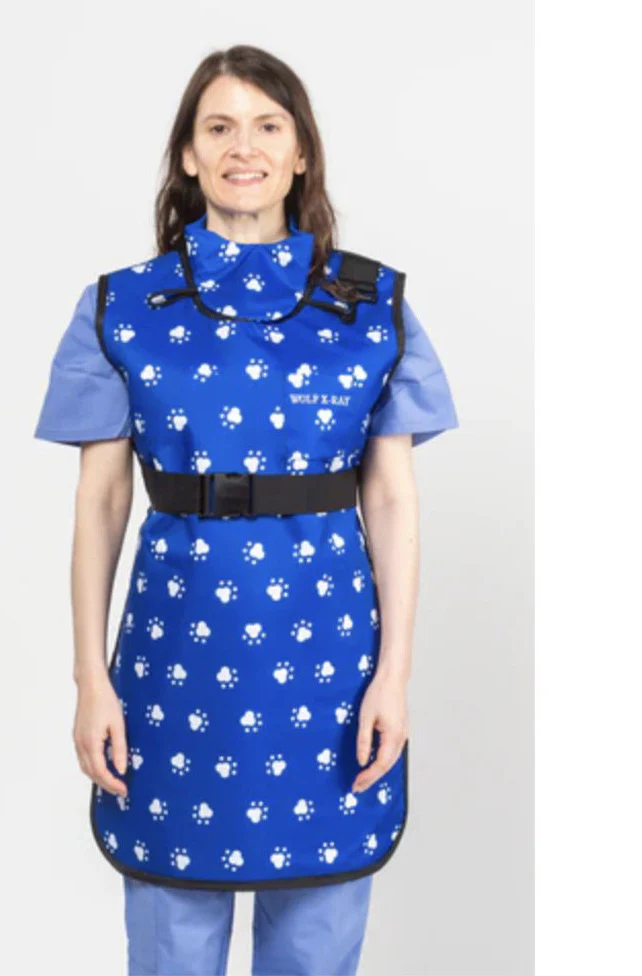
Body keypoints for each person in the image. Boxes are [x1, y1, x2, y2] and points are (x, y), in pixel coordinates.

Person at [35, 44, 458, 976]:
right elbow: (101, 502)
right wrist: (90, 679)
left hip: (329, 665)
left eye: (268, 126)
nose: (244, 147)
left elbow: (392, 496)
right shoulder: (123, 308)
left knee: (317, 944)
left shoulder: (372, 308)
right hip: (173, 660)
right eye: (219, 127)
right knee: (172, 946)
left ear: (301, 153)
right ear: (188, 154)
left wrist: (393, 676)